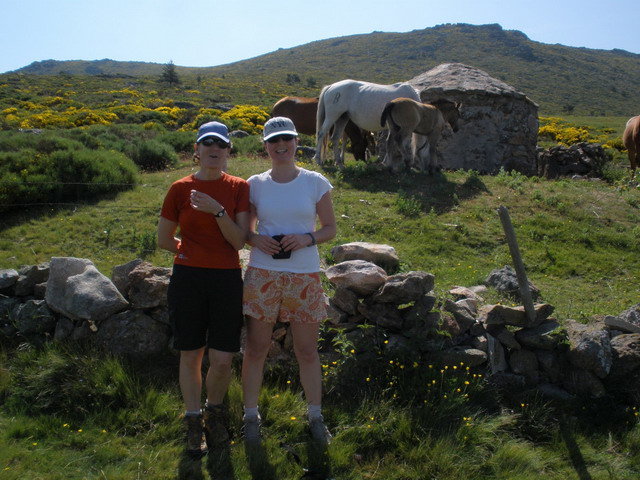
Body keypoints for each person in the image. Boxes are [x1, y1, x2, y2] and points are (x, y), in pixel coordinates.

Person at [241, 116, 337, 445]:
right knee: (256, 348)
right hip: (263, 272)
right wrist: (257, 240)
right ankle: (250, 416)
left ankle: (316, 416)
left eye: (287, 139)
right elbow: (246, 231)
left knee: (307, 350)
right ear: (265, 145)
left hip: (304, 274)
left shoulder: (315, 182)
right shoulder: (254, 184)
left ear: (297, 142)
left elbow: (329, 228)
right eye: (273, 140)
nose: (281, 145)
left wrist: (306, 239)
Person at [157, 121, 250, 457]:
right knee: (191, 353)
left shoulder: (239, 187)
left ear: (228, 151)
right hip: (188, 278)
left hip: (226, 279)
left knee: (223, 360)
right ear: (196, 149)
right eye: (207, 143)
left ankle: (215, 412)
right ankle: (193, 420)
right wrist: (190, 251)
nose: (214, 148)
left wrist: (217, 210)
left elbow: (239, 241)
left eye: (221, 144)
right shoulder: (179, 188)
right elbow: (163, 239)